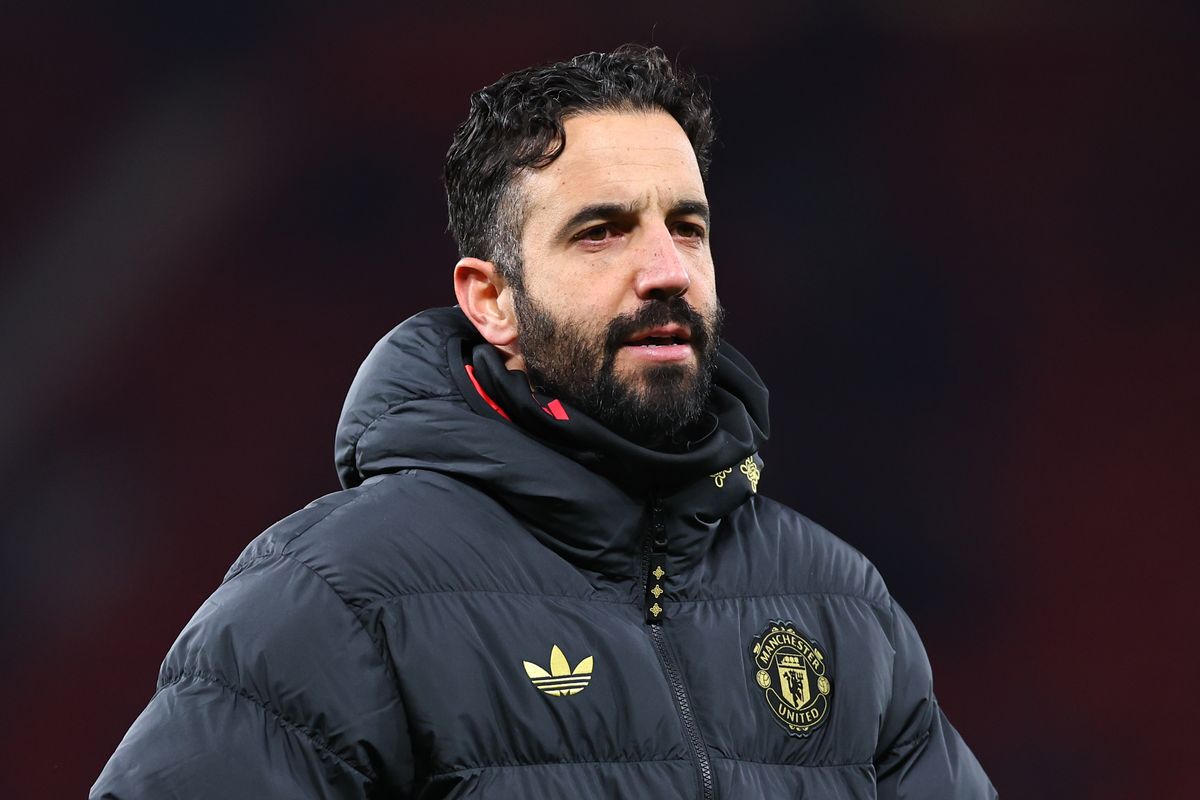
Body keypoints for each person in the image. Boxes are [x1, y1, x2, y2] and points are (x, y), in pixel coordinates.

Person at [93, 45, 996, 799]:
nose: (665, 269)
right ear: (491, 300)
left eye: (687, 227)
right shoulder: (336, 600)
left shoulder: (842, 606)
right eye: (600, 231)